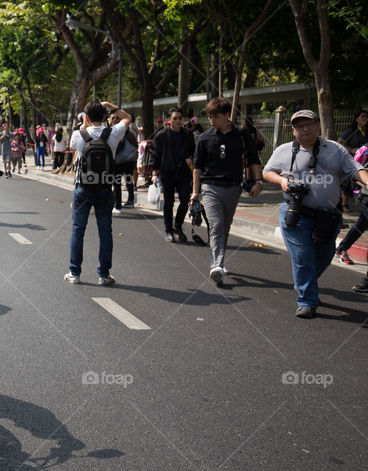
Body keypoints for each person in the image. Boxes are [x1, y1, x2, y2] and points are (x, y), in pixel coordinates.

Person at [262, 110, 368, 317]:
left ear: (318, 126)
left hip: (328, 216)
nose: (305, 128)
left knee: (325, 256)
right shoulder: (283, 151)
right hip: (295, 213)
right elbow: (267, 171)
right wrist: (283, 181)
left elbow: (356, 169)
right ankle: (307, 301)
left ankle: (305, 283)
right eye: (299, 126)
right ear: (293, 131)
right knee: (303, 257)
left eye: (309, 124)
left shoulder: (335, 149)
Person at [191, 97, 262, 285]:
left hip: (234, 187)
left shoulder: (242, 134)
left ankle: (219, 262)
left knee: (226, 225)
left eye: (215, 116)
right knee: (217, 225)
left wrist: (258, 181)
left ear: (226, 115)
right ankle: (217, 265)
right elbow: (197, 167)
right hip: (210, 187)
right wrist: (195, 192)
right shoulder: (205, 137)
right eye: (209, 117)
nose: (211, 120)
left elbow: (254, 158)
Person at [66, 101, 132, 285]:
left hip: (83, 188)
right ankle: (104, 274)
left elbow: (73, 148)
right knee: (105, 231)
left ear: (86, 117)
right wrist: (110, 104)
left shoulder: (78, 134)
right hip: (105, 188)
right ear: (104, 116)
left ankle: (75, 273)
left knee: (78, 230)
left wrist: (84, 124)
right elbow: (128, 118)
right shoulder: (114, 133)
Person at [148, 108, 196, 242]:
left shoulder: (188, 135)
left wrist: (190, 159)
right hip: (167, 173)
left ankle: (178, 226)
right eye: (175, 118)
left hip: (183, 174)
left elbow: (193, 151)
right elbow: (154, 155)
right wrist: (154, 174)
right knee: (168, 203)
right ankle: (169, 230)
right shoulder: (161, 135)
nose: (178, 121)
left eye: (180, 118)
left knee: (185, 200)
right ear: (169, 120)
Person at [338, 108, 368, 212]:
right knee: (347, 181)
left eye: (366, 117)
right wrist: (351, 149)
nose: (365, 119)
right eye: (363, 117)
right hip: (351, 159)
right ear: (356, 119)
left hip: (365, 160)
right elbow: (340, 143)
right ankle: (344, 204)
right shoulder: (351, 131)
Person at [111, 114, 139, 214]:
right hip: (130, 159)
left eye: (117, 118)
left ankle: (117, 205)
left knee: (117, 182)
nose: (114, 120)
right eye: (113, 118)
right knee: (128, 179)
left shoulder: (117, 131)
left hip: (119, 160)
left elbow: (117, 146)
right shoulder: (132, 130)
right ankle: (130, 200)